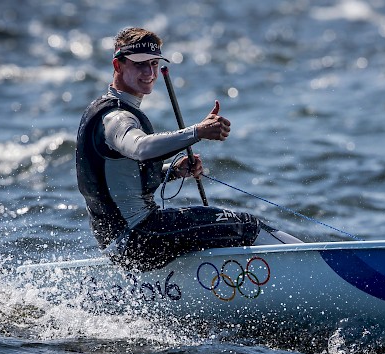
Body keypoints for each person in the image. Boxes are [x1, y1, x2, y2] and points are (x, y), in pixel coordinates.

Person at [76, 27, 261, 271]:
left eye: (154, 63)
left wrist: (173, 170)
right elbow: (140, 148)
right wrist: (198, 132)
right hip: (142, 236)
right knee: (246, 224)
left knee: (218, 226)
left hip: (120, 247)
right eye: (139, 64)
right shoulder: (116, 118)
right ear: (118, 66)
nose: (149, 72)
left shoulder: (106, 109)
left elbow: (122, 179)